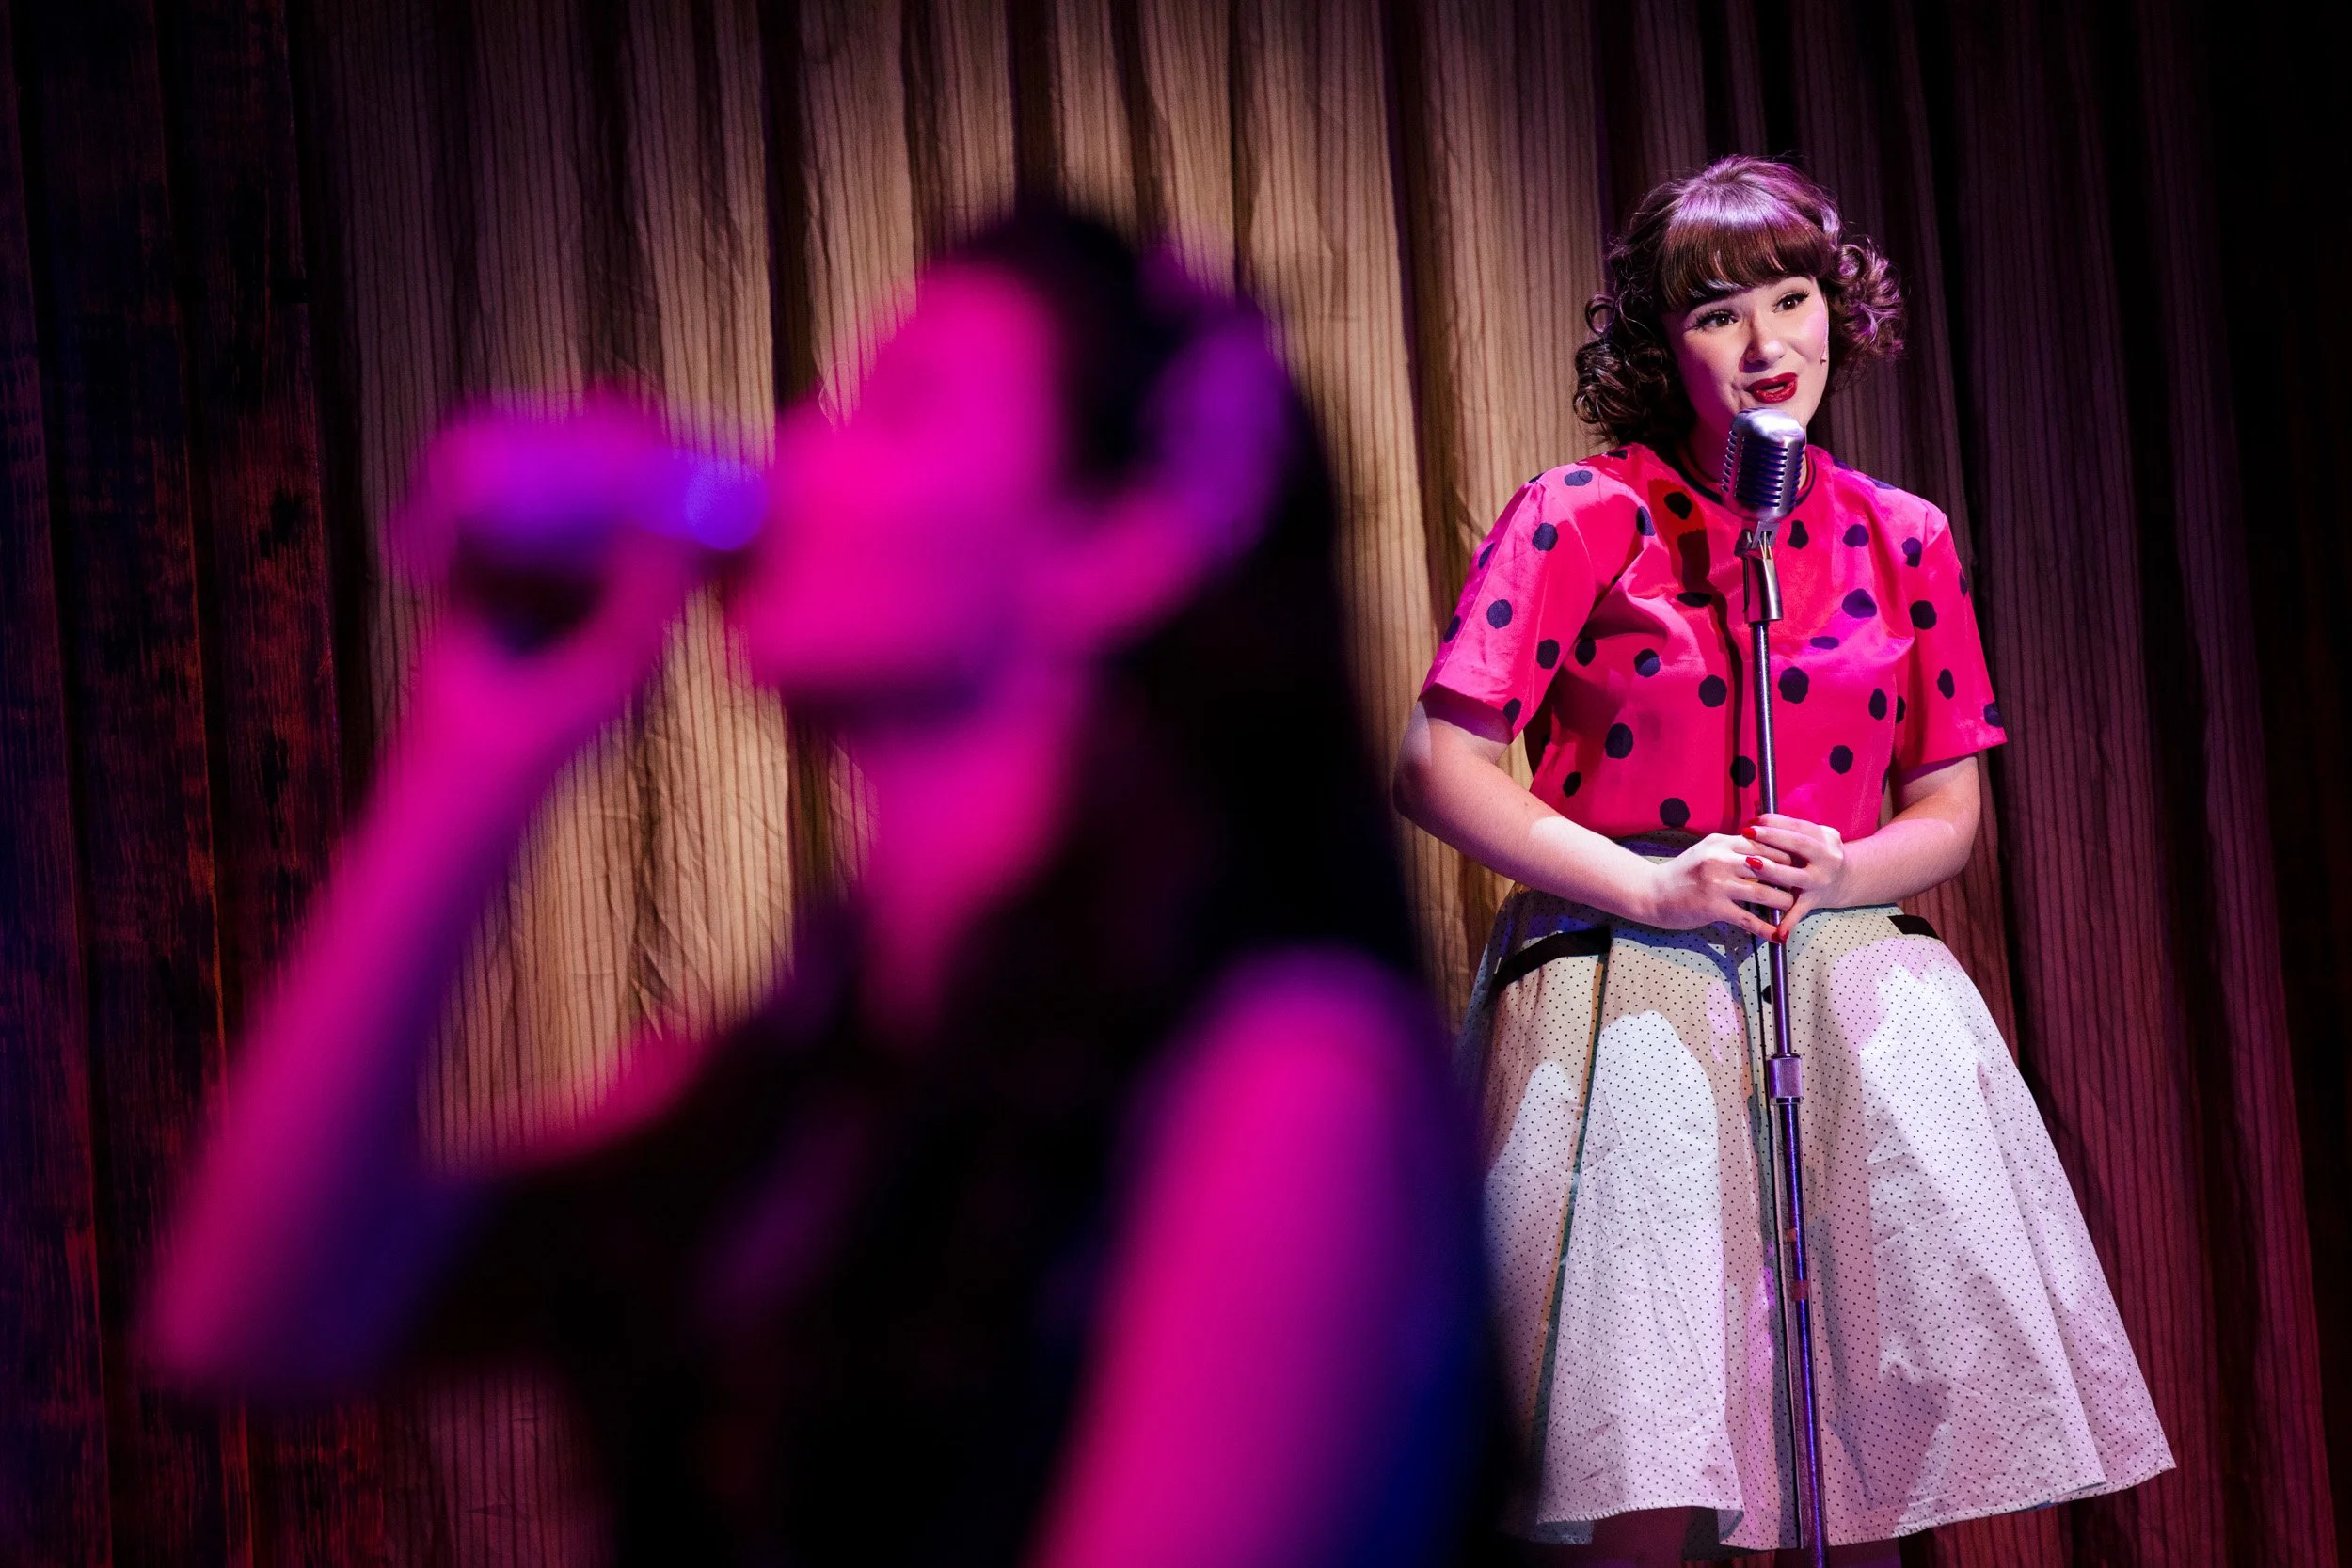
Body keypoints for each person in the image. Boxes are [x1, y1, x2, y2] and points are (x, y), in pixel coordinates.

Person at [149, 204, 1490, 1568]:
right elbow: (250, 1319)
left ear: (1117, 545)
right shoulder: (788, 1081)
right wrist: (472, 756)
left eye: (895, 408)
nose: (795, 452)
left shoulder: (1291, 1086)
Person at [1392, 156, 2172, 1566]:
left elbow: (1948, 809)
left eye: (1792, 299)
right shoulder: (1582, 513)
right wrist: (1651, 883)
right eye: (1717, 315)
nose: (1765, 346)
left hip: (1838, 985)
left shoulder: (1903, 534)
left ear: (1838, 310)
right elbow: (1437, 764)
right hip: (1630, 986)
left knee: (1851, 1452)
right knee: (1643, 1445)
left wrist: (1842, 871)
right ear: (1661, 344)